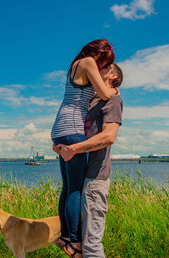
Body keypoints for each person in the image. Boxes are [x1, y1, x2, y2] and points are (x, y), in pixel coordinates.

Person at [51, 39, 119, 258]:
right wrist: (114, 89)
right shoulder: (88, 62)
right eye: (105, 63)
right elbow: (104, 93)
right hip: (72, 127)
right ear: (98, 54)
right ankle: (75, 241)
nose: (102, 68)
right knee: (75, 189)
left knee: (67, 186)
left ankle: (64, 236)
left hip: (61, 126)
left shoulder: (75, 66)